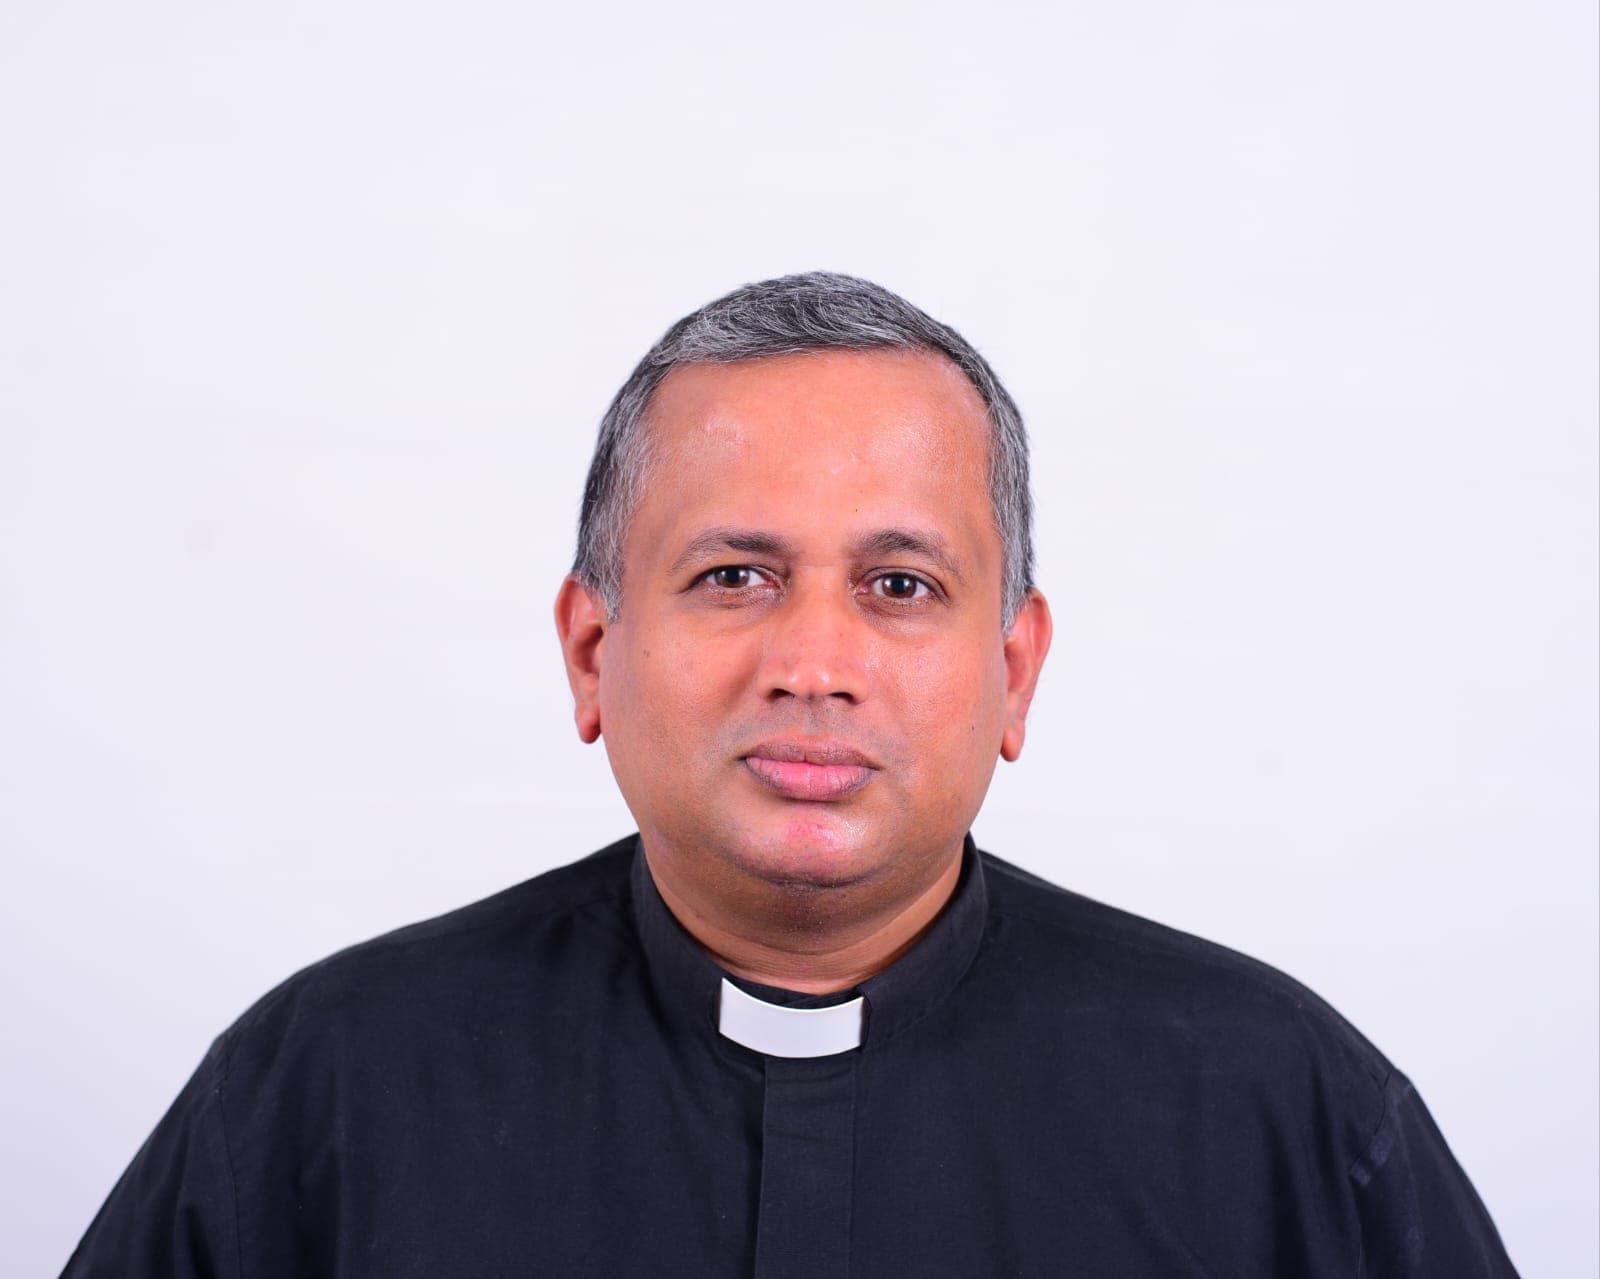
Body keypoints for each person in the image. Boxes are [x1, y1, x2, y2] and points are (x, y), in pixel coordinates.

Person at [62, 272, 1519, 1277]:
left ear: (1014, 670)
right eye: (735, 573)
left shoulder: (1281, 1105)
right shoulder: (326, 1090)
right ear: (591, 650)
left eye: (897, 585)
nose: (813, 660)